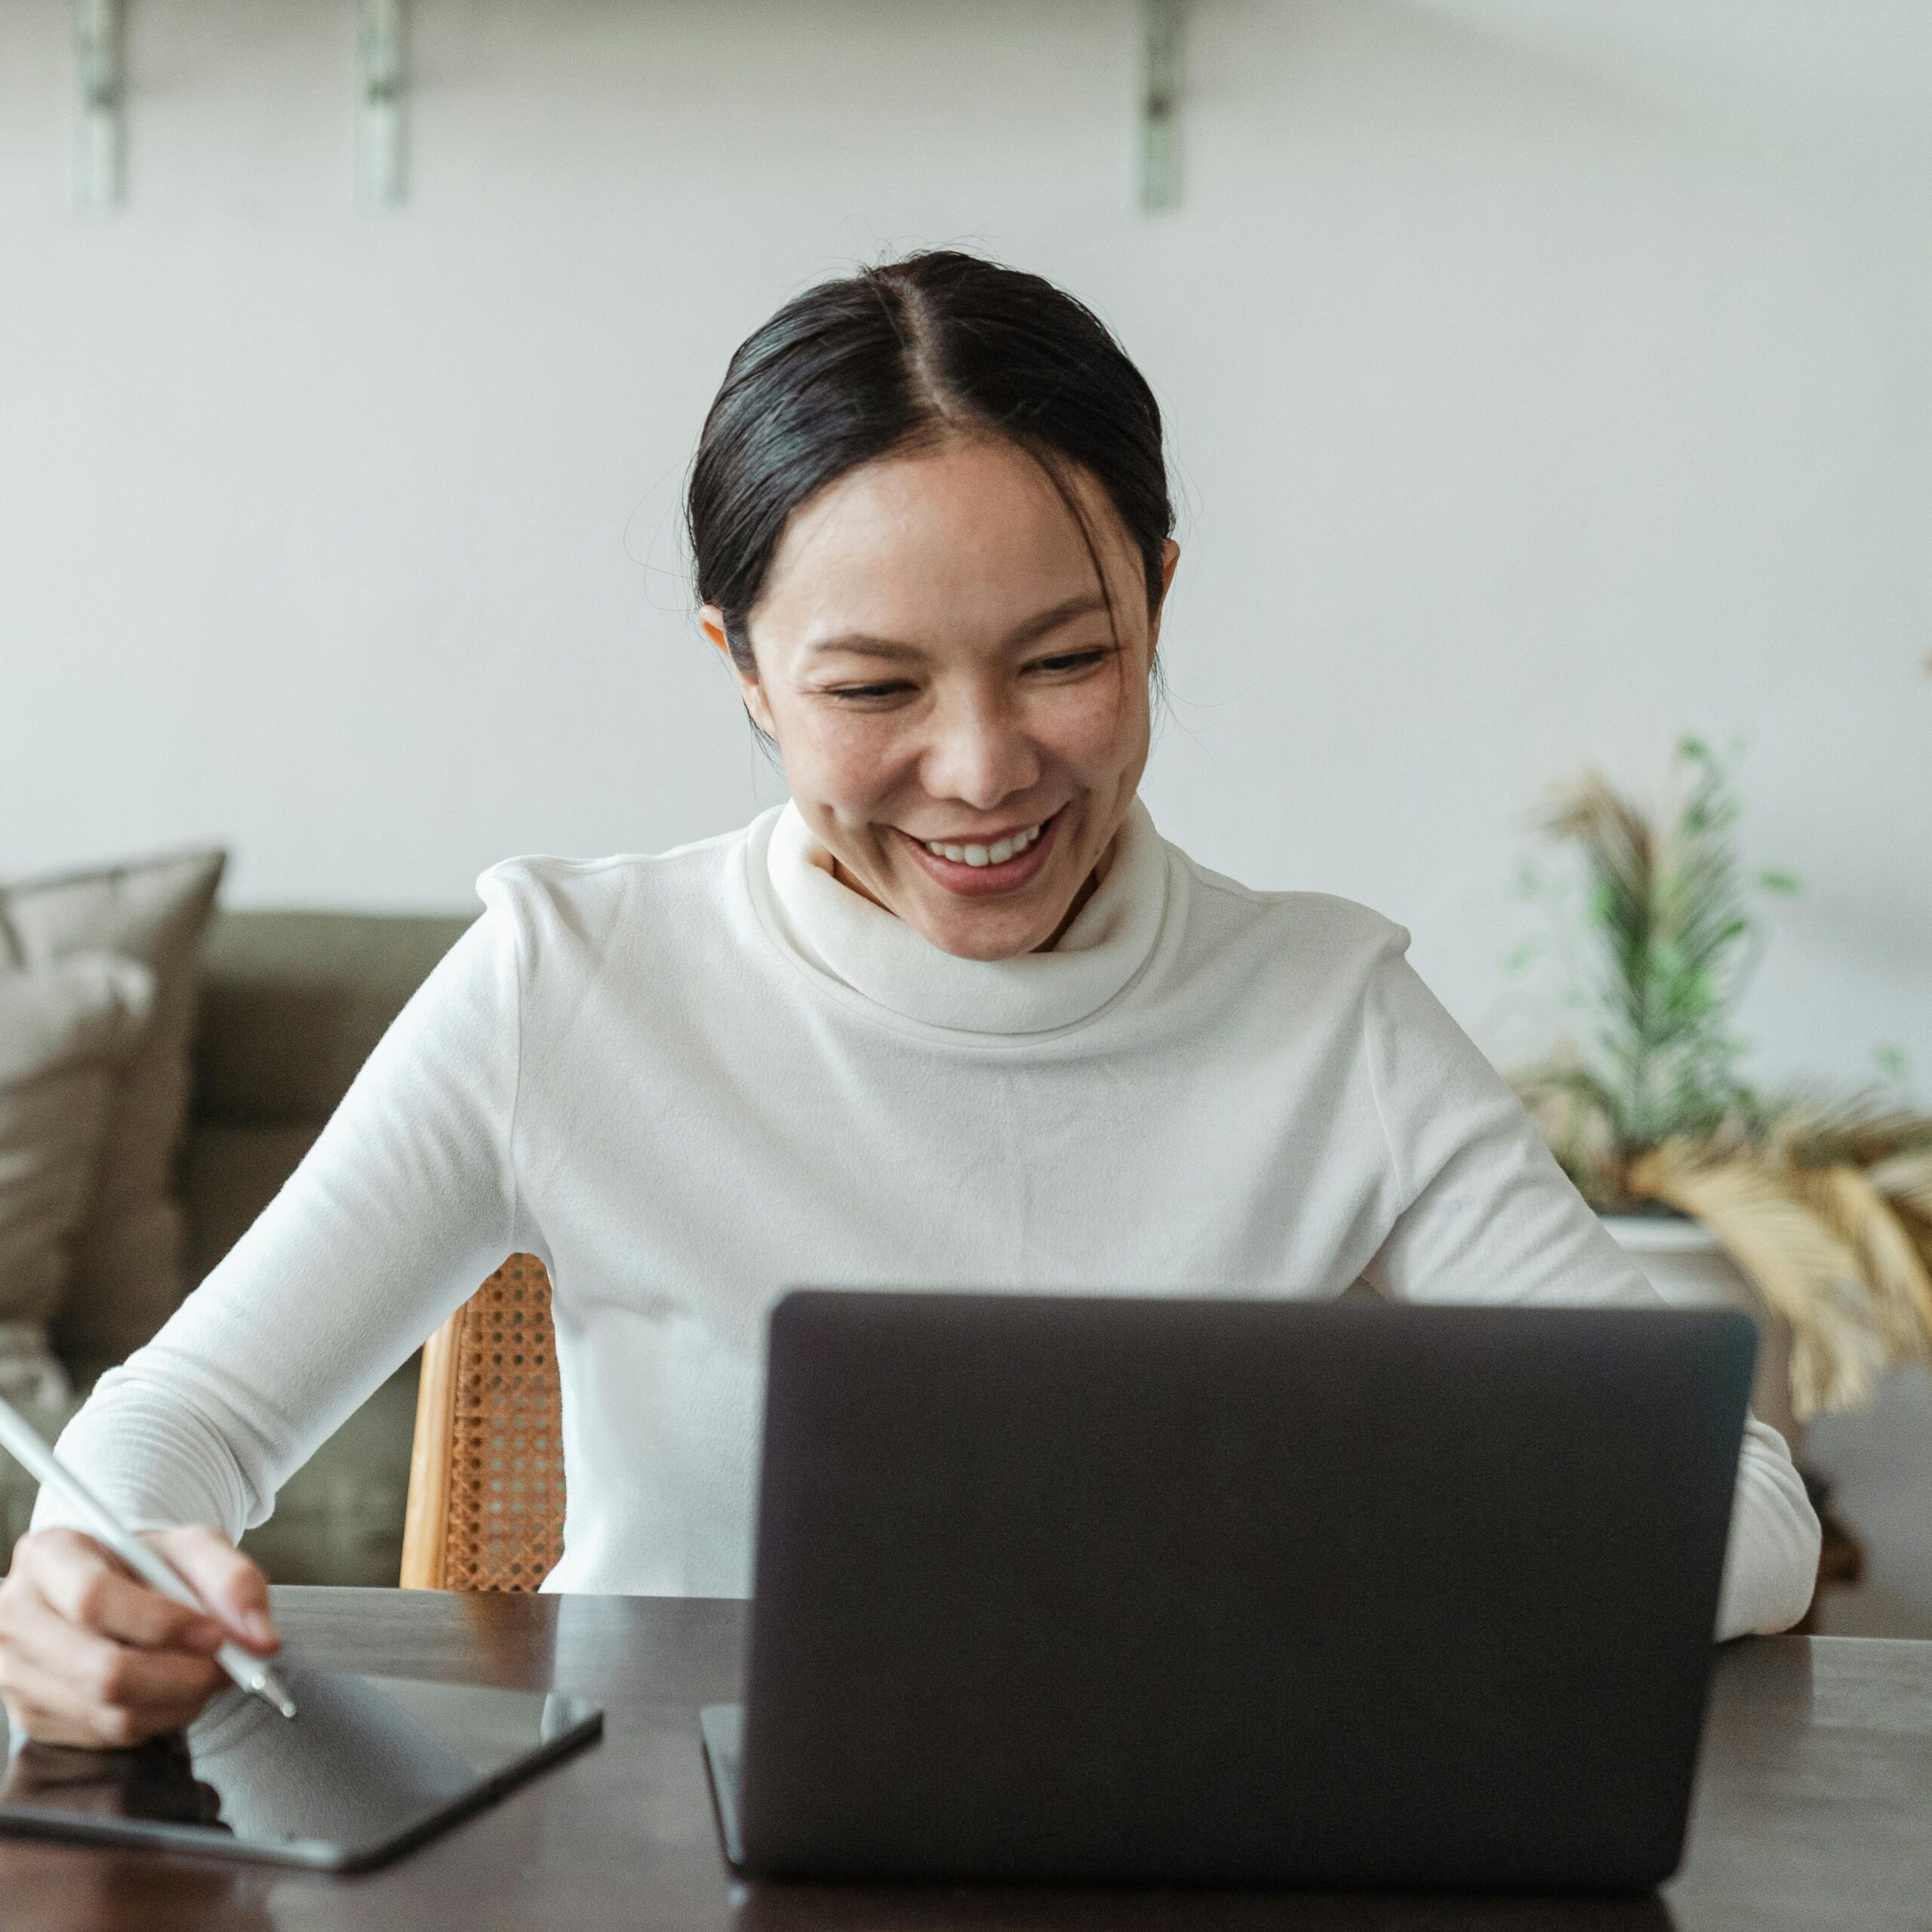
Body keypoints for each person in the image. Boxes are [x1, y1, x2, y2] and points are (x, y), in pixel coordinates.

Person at [0, 251, 1820, 1749]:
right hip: (643, 1854)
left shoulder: (1325, 1013)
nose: (980, 771)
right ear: (739, 668)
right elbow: (173, 1430)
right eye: (871, 686)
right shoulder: (572, 981)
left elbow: (1744, 1512)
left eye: (1067, 659)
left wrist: (1350, 1548)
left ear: (1159, 606)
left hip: (1186, 1847)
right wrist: (94, 1579)